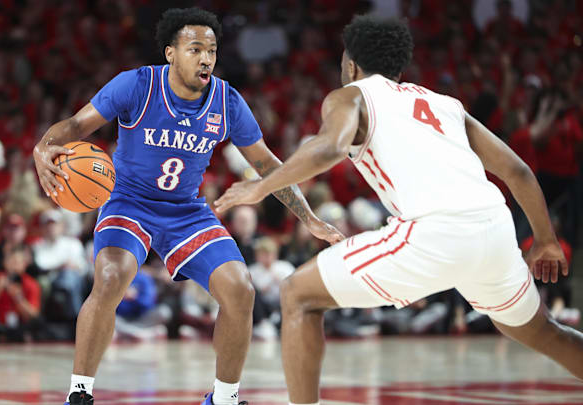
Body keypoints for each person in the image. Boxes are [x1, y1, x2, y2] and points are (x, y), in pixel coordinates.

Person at [214, 15, 582, 405]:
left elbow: (329, 149)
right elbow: (518, 170)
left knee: (298, 295)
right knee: (545, 331)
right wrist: (545, 240)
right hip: (493, 228)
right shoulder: (444, 104)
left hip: (435, 232)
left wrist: (262, 186)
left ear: (351, 64)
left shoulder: (351, 95)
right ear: (398, 68)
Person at [32, 8, 342, 405]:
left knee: (240, 289)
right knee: (111, 278)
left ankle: (224, 398)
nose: (206, 58)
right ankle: (80, 392)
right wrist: (42, 147)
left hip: (187, 211)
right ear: (170, 54)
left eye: (212, 50)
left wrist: (310, 218)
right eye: (195, 48)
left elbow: (266, 164)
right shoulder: (137, 85)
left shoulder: (227, 101)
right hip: (129, 202)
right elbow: (75, 127)